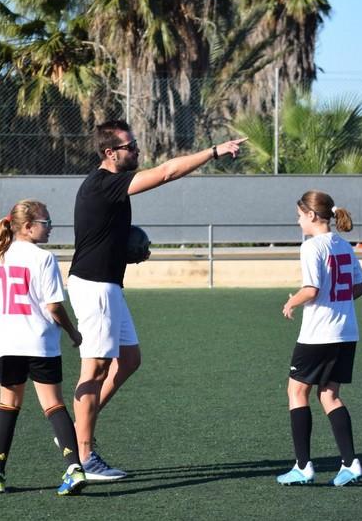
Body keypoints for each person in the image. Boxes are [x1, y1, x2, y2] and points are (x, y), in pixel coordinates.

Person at [68, 120, 246, 481]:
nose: (136, 151)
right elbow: (166, 173)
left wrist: (124, 248)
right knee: (95, 369)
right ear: (109, 153)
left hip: (107, 285)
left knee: (129, 359)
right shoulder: (105, 183)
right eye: (129, 147)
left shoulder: (108, 185)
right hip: (94, 286)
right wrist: (214, 151)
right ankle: (82, 457)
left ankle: (77, 431)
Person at [0, 200, 86, 496]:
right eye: (46, 223)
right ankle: (74, 468)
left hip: (9, 345)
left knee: (8, 406)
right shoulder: (44, 258)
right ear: (27, 227)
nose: (50, 228)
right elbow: (53, 307)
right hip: (41, 343)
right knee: (54, 405)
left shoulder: (0, 257)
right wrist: (73, 331)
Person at [277, 190, 362, 487]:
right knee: (329, 395)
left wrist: (292, 302)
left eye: (300, 215)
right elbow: (360, 286)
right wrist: (337, 299)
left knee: (296, 392)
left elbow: (312, 289)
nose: (298, 221)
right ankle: (350, 463)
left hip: (319, 334)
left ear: (313, 216)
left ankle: (303, 466)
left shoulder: (311, 246)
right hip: (346, 332)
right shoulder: (344, 245)